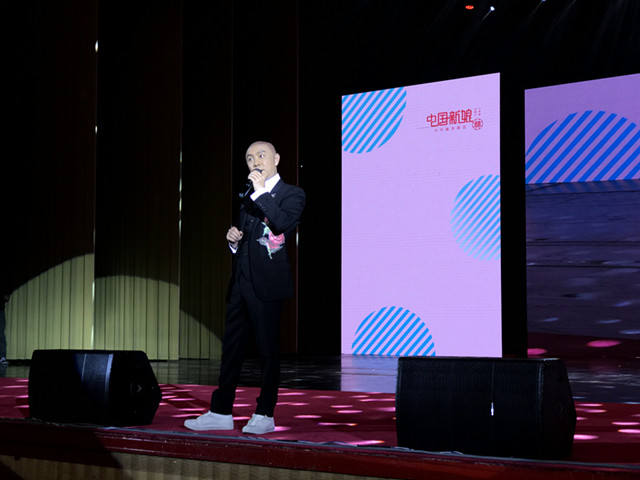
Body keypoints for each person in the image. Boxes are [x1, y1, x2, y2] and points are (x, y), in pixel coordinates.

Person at [185, 141, 305, 435]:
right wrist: (234, 241)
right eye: (250, 158)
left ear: (277, 158)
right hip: (241, 282)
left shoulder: (292, 194)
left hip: (268, 284)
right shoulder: (249, 195)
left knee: (267, 351)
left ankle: (265, 413)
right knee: (231, 349)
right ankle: (220, 411)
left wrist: (261, 191)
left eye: (261, 156)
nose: (255, 162)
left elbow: (281, 224)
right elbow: (247, 240)